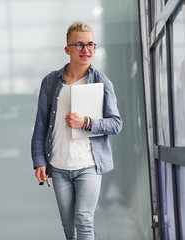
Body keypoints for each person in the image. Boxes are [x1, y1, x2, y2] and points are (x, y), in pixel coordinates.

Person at [31, 20, 122, 240]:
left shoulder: (102, 83)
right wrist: (39, 161)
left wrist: (87, 122)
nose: (86, 50)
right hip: (59, 167)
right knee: (69, 229)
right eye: (79, 45)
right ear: (67, 49)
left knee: (84, 220)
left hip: (89, 165)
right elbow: (41, 125)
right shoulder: (51, 82)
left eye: (90, 44)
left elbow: (116, 124)